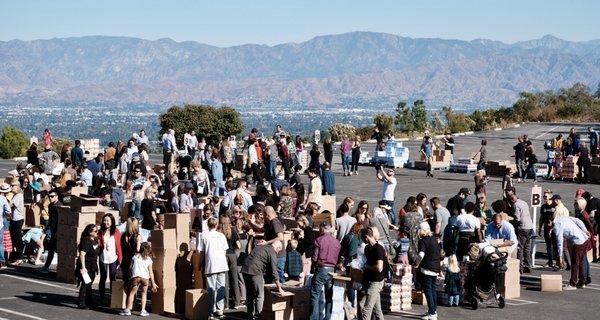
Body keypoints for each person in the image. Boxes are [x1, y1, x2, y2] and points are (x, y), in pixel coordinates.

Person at [241, 241, 285, 320]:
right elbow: (274, 271)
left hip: (245, 269)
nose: (278, 253)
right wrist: (279, 287)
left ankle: (249, 314)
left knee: (250, 294)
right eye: (279, 251)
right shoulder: (272, 252)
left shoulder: (261, 247)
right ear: (277, 248)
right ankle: (259, 315)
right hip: (255, 271)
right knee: (259, 294)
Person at [197, 217, 229, 318]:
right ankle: (220, 310)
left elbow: (202, 253)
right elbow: (225, 251)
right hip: (221, 264)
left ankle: (211, 310)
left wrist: (199, 264)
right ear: (217, 225)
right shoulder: (221, 236)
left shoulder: (204, 237)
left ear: (208, 225)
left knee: (211, 288)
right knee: (221, 288)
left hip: (211, 264)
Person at [310, 222, 341, 320]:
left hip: (321, 268)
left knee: (315, 294)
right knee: (329, 295)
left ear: (322, 229)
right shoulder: (337, 242)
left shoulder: (318, 240)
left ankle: (314, 318)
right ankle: (327, 318)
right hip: (332, 270)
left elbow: (315, 257)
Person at [554, 215, 590, 290]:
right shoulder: (563, 218)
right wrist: (585, 230)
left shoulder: (557, 226)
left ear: (550, 222)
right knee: (580, 262)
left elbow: (559, 241)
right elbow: (578, 220)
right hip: (585, 239)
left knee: (575, 263)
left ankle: (573, 284)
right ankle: (582, 281)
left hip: (578, 242)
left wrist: (560, 257)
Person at [121, 242, 158, 316]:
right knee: (144, 293)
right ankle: (143, 311)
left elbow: (130, 267)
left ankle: (128, 310)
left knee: (132, 293)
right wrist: (153, 284)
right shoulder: (149, 259)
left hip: (136, 277)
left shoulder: (135, 256)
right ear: (148, 249)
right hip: (145, 278)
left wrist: (130, 276)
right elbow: (151, 273)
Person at [359, 226, 386, 320]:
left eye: (362, 237)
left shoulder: (379, 249)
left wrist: (367, 267)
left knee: (366, 308)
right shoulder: (367, 248)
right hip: (369, 281)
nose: (361, 240)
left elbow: (379, 268)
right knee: (377, 310)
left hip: (376, 282)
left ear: (366, 237)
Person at [416, 222, 441, 320]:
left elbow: (421, 254)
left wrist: (417, 263)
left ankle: (432, 313)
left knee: (428, 290)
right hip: (435, 267)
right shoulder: (434, 239)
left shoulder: (423, 241)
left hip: (427, 268)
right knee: (433, 289)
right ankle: (433, 310)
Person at [218, 214, 242, 310]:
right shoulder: (233, 230)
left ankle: (226, 304)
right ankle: (236, 303)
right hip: (232, 255)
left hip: (223, 255)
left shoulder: (218, 232)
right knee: (234, 279)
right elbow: (239, 246)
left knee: (225, 280)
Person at [98, 213, 123, 303]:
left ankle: (113, 297)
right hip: (103, 257)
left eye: (108, 220)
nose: (106, 222)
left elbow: (119, 246)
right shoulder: (100, 232)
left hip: (113, 258)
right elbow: (99, 244)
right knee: (103, 277)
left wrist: (120, 258)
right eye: (104, 220)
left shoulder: (116, 232)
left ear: (112, 222)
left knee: (112, 277)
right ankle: (102, 296)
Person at [120, 217, 142, 311]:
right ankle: (133, 304)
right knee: (134, 284)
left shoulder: (123, 235)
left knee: (126, 283)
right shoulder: (137, 236)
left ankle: (124, 304)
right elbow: (137, 250)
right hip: (134, 262)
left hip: (125, 260)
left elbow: (122, 248)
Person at [76, 224, 100, 309]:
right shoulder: (86, 241)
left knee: (89, 283)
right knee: (85, 284)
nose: (97, 232)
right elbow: (82, 254)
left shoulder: (95, 240)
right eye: (95, 231)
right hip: (86, 266)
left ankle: (89, 300)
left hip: (93, 265)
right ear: (90, 232)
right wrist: (83, 267)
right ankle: (81, 302)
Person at [261, 206, 286, 284]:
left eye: (264, 215)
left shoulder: (274, 222)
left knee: (278, 276)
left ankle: (284, 293)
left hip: (278, 255)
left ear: (267, 214)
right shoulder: (271, 223)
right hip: (275, 255)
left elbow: (280, 237)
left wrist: (266, 242)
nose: (263, 217)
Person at [510, 194, 535, 273]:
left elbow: (517, 218)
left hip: (522, 227)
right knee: (527, 248)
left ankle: (520, 268)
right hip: (529, 226)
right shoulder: (524, 202)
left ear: (512, 200)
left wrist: (510, 220)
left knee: (520, 248)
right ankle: (528, 266)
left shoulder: (516, 205)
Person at [40, 189, 62, 273]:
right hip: (52, 229)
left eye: (52, 196)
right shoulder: (50, 205)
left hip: (58, 230)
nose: (50, 198)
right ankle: (46, 267)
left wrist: (58, 232)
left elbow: (60, 221)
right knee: (51, 249)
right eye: (49, 196)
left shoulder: (60, 206)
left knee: (58, 250)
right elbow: (50, 218)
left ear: (57, 197)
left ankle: (59, 267)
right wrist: (47, 228)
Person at [539, 190, 557, 267]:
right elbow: (541, 217)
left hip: (554, 228)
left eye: (545, 196)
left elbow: (557, 218)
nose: (544, 198)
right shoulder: (543, 206)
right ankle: (550, 262)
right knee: (548, 246)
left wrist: (552, 225)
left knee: (555, 245)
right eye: (543, 196)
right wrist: (540, 228)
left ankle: (557, 262)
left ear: (550, 196)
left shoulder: (554, 205)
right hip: (546, 228)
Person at [295, 214, 315, 285]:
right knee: (306, 273)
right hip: (307, 254)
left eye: (298, 223)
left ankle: (301, 289)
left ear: (302, 221)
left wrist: (301, 239)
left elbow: (310, 241)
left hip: (305, 254)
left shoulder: (307, 229)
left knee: (302, 273)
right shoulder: (308, 229)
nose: (297, 225)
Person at [9, 181, 25, 264]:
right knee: (13, 239)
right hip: (15, 220)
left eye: (13, 186)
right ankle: (15, 257)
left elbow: (10, 205)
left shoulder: (18, 196)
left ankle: (19, 258)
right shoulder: (16, 195)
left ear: (18, 187)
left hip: (17, 220)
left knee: (17, 239)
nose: (11, 187)